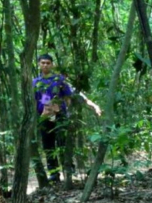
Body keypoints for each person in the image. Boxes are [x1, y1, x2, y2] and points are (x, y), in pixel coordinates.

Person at [33, 54, 102, 182]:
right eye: (43, 63)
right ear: (39, 64)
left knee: (63, 144)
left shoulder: (59, 80)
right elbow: (34, 101)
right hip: (44, 118)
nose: (45, 65)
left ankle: (68, 170)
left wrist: (93, 106)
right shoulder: (36, 82)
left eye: (48, 63)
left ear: (52, 64)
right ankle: (54, 174)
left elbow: (71, 96)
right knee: (48, 147)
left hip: (60, 117)